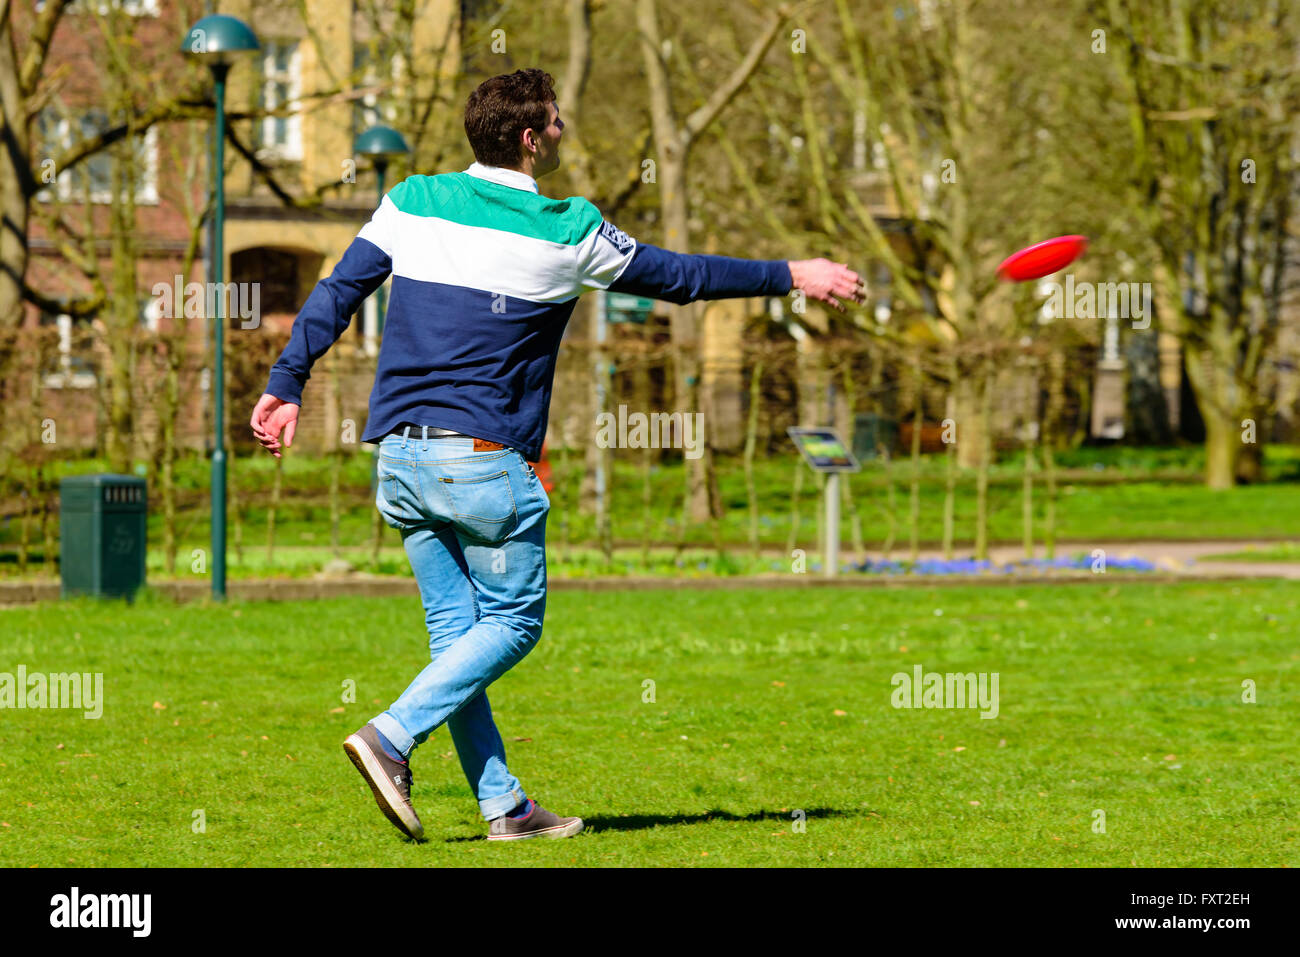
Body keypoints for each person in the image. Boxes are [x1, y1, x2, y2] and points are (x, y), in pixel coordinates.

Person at [250, 68, 865, 842]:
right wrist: (789, 274)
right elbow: (680, 278)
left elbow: (338, 291)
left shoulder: (409, 200)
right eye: (558, 117)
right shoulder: (569, 227)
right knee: (512, 623)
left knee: (457, 639)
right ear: (533, 138)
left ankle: (504, 807)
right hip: (480, 464)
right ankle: (390, 735)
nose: (566, 126)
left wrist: (286, 381)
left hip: (399, 460)